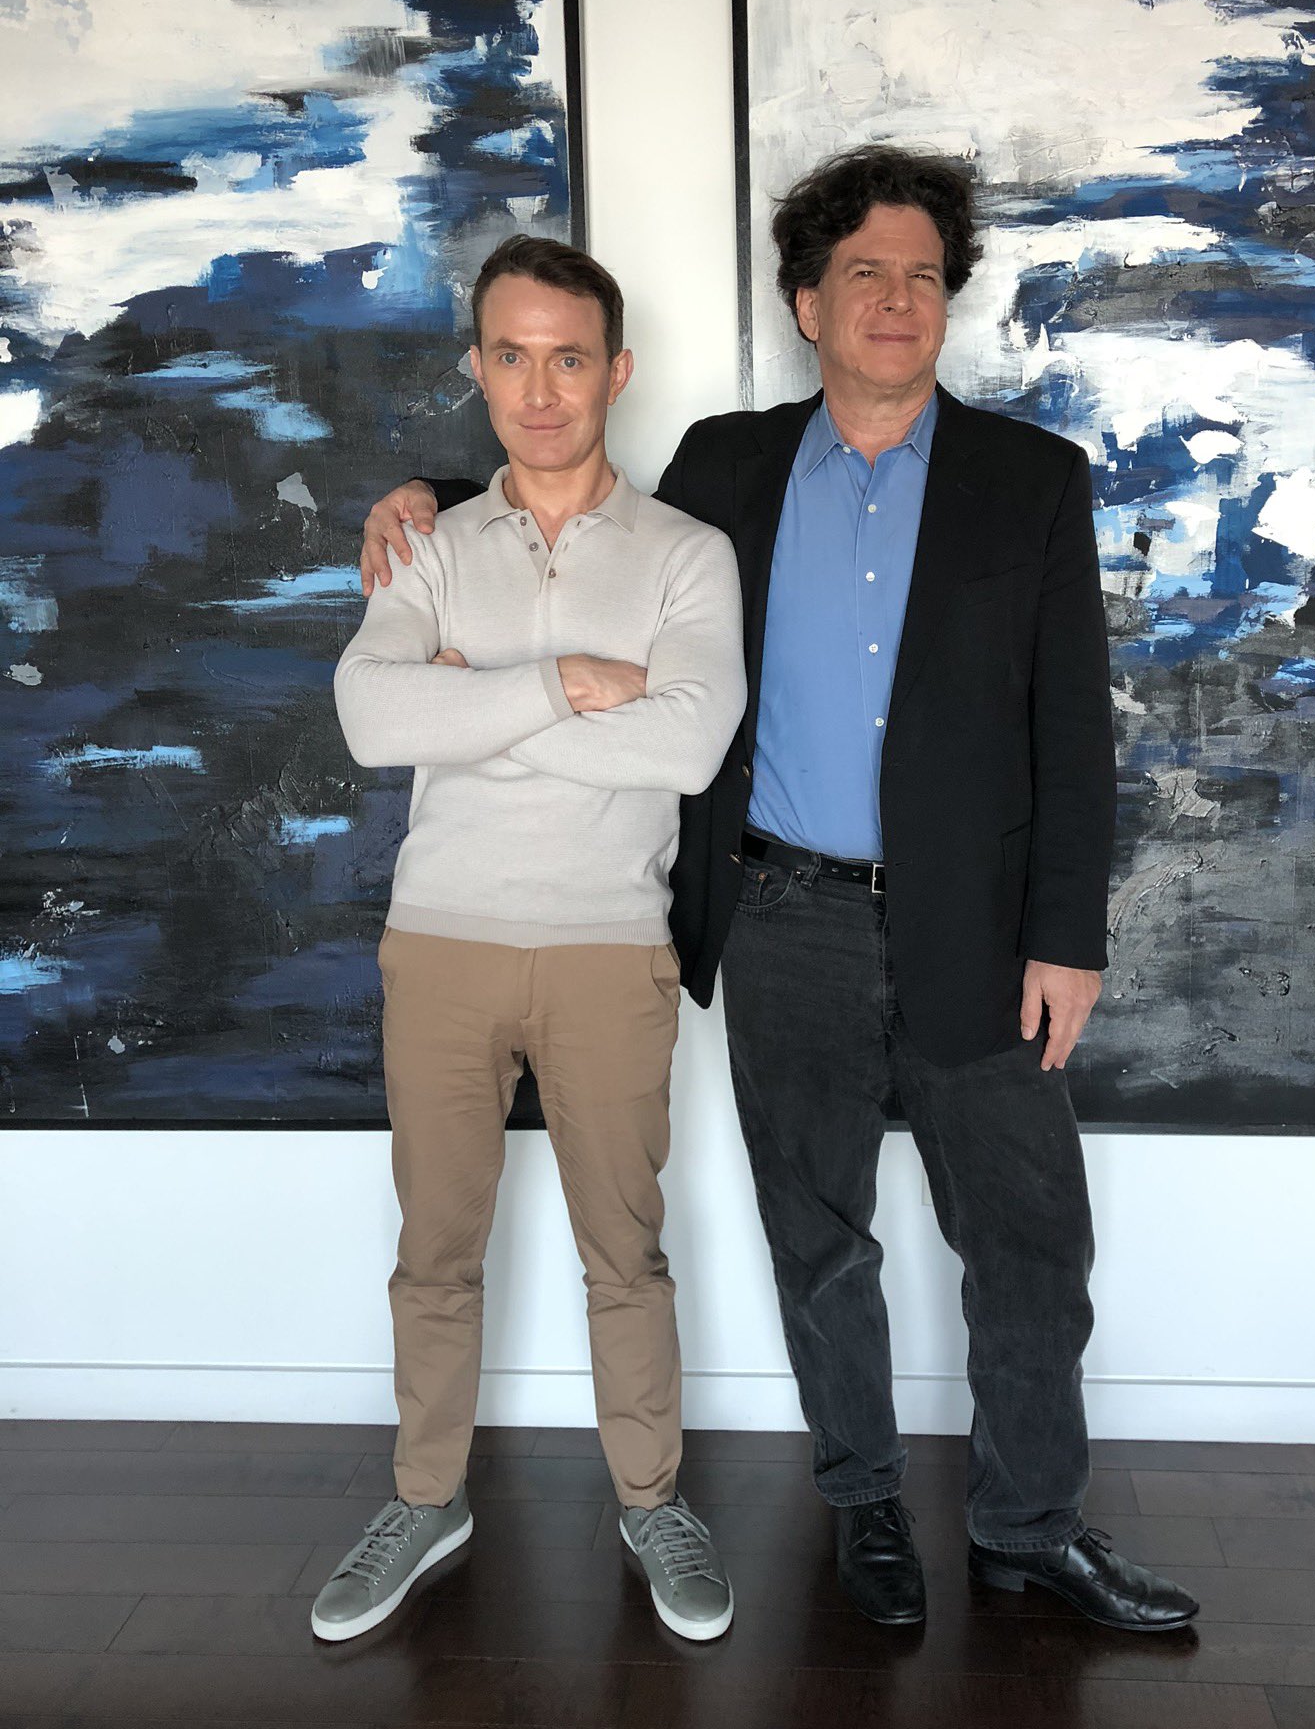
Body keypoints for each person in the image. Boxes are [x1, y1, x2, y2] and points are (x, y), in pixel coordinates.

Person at [357, 149, 1197, 1635]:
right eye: (863, 273)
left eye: (922, 274)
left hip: (981, 927)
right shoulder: (729, 468)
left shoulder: (1030, 481)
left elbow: (1074, 730)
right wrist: (423, 498)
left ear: (947, 301)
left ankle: (1030, 1525)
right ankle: (863, 1505)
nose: (895, 299)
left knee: (1028, 1243)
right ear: (808, 303)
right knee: (819, 1238)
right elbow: (562, 486)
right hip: (784, 916)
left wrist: (1069, 937)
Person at [319, 234, 746, 1645]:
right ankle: (424, 1498)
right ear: (479, 369)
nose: (541, 389)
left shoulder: (688, 555)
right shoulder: (426, 544)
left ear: (616, 372)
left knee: (627, 1252)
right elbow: (372, 720)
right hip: (438, 941)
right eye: (512, 356)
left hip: (610, 948)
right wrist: (567, 684)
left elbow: (685, 751)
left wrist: (475, 704)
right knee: (434, 1252)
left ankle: (652, 1501)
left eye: (570, 359)